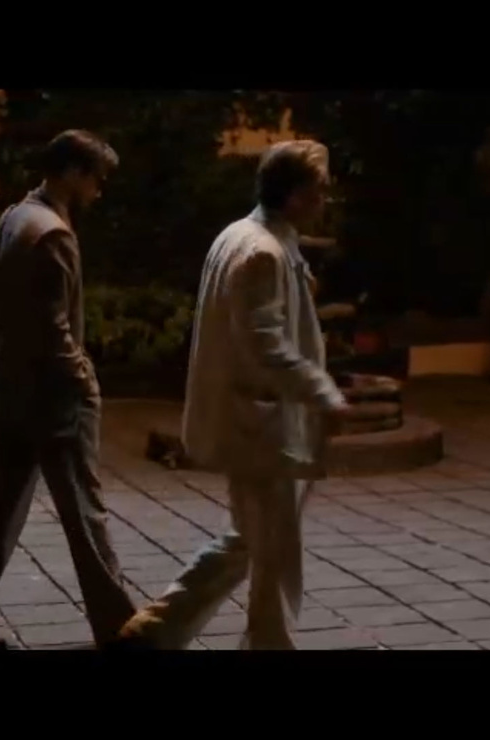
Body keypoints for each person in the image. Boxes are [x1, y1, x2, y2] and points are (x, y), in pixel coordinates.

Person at [115, 140, 352, 650]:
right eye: (319, 191)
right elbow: (266, 345)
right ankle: (261, 643)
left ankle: (158, 628)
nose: (325, 201)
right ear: (294, 195)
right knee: (272, 547)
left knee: (254, 539)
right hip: (261, 425)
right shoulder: (261, 252)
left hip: (257, 420)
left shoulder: (247, 237)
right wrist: (322, 393)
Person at [0, 130, 137, 650]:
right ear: (72, 172)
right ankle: (121, 632)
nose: (99, 191)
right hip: (55, 399)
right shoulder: (52, 234)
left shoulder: (15, 217)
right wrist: (84, 379)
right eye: (95, 179)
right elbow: (54, 329)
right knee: (85, 515)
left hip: (15, 391)